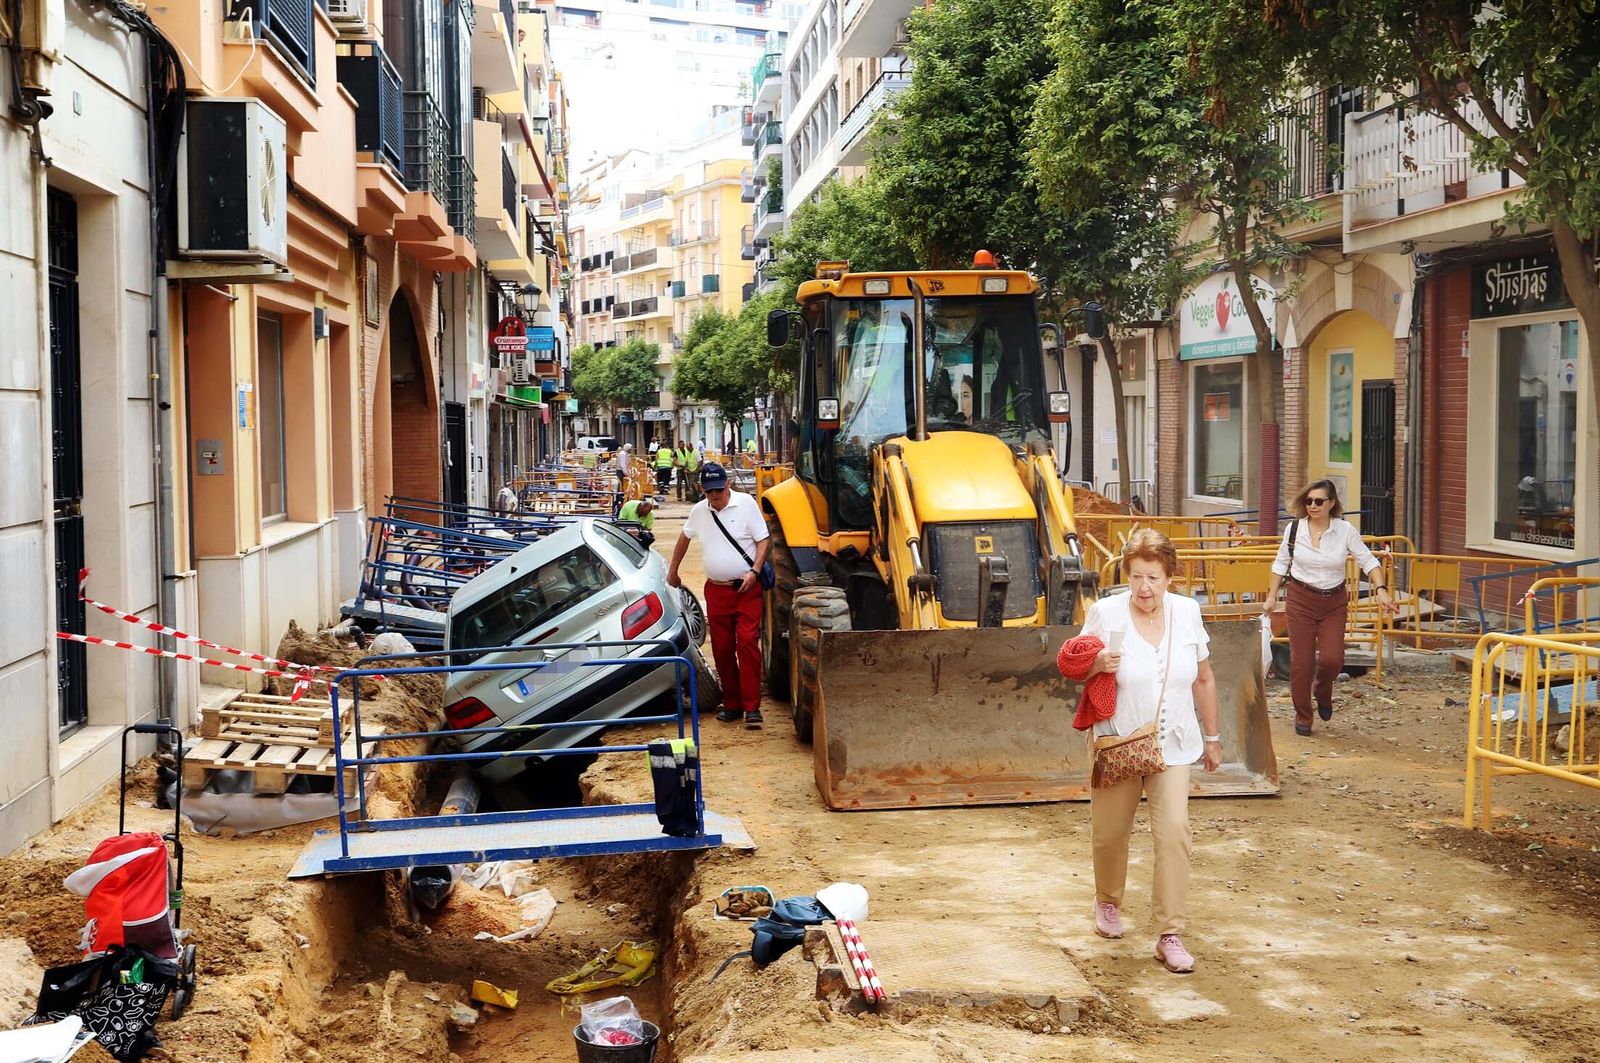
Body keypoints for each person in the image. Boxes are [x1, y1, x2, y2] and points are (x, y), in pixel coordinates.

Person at [1078, 528, 1222, 974]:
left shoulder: (1187, 613)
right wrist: (1096, 664)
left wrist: (1213, 738)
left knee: (1175, 831)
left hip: (1174, 741)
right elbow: (1074, 663)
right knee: (1110, 832)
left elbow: (1203, 678)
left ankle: (1170, 932)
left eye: (1154, 578)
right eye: (1137, 577)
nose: (1145, 588)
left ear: (1169, 578)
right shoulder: (1104, 612)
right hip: (1119, 738)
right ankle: (1108, 902)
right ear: (1126, 575)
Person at [1263, 480, 1394, 736]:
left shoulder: (1345, 531)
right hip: (1300, 599)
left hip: (1333, 601)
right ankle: (1303, 716)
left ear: (1331, 504)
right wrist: (1271, 597)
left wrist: (1381, 590)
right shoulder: (1294, 529)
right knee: (1301, 663)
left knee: (1333, 659)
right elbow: (1280, 564)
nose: (1313, 506)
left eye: (1319, 501)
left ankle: (1323, 691)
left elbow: (1367, 560)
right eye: (1309, 501)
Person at [666, 461, 769, 729]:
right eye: (709, 492)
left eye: (718, 491)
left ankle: (752, 707)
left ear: (728, 485)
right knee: (722, 649)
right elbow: (684, 537)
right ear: (702, 489)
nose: (714, 496)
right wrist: (673, 570)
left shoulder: (746, 504)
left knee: (747, 642)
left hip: (746, 588)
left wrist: (755, 571)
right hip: (717, 591)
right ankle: (732, 704)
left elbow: (763, 540)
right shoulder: (700, 511)